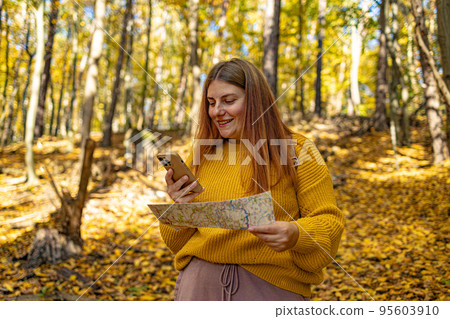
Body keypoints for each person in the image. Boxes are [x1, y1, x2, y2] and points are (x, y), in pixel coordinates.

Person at [159, 58, 344, 301]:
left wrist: (296, 233)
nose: (216, 111)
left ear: (256, 101)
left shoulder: (297, 150)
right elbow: (176, 243)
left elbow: (329, 224)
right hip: (198, 288)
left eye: (229, 101)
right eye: (211, 103)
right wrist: (180, 208)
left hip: (268, 290)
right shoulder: (203, 154)